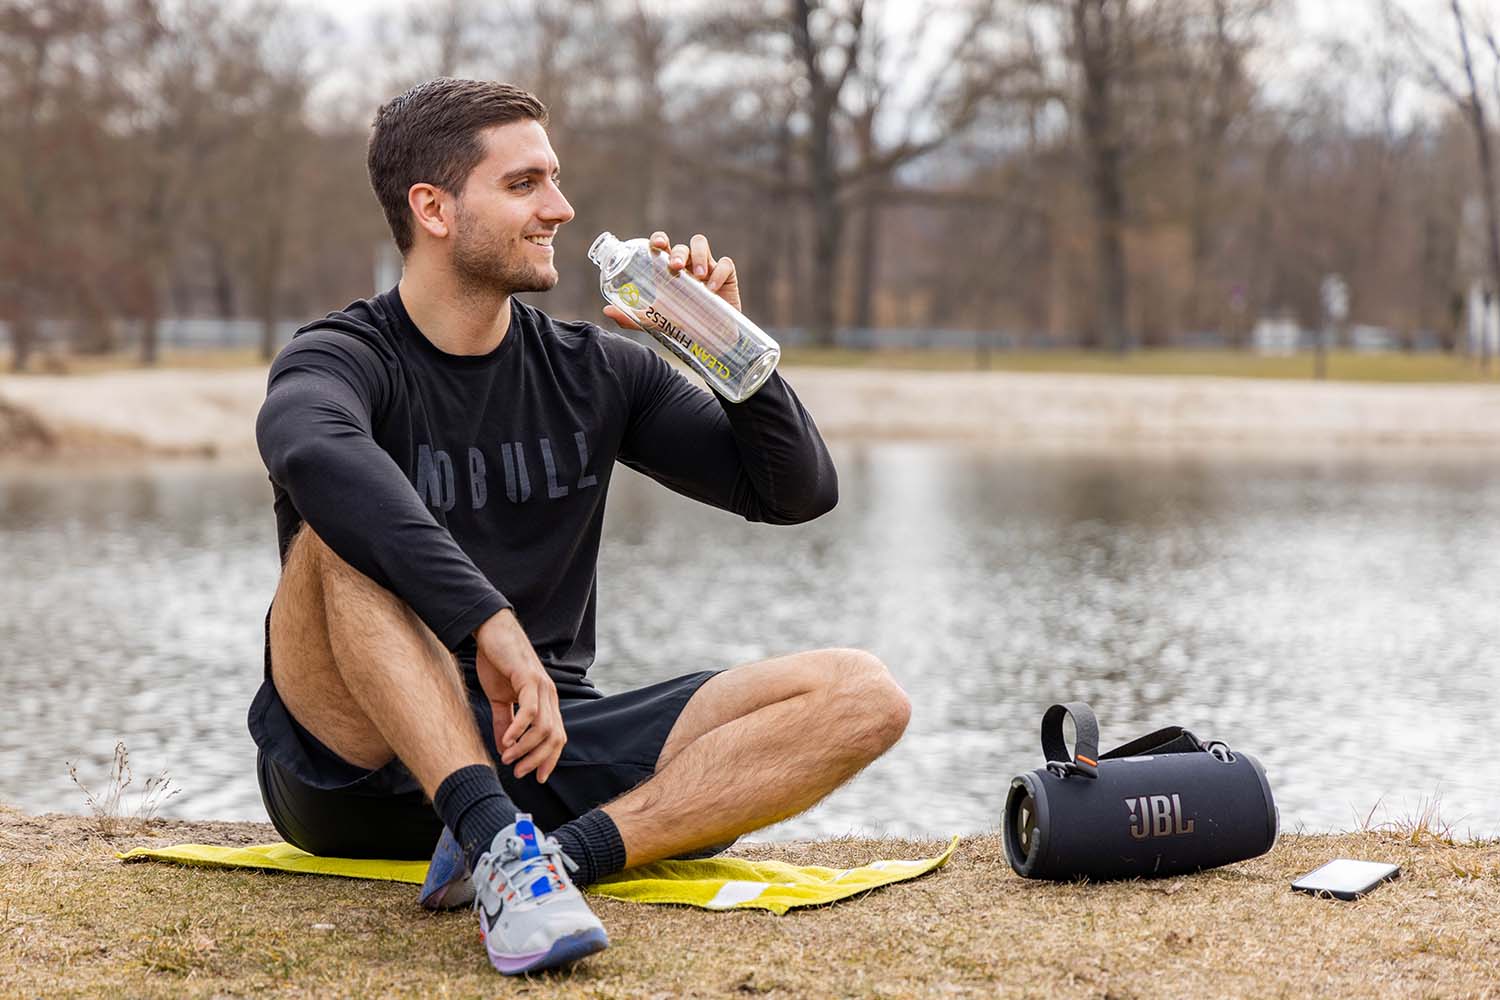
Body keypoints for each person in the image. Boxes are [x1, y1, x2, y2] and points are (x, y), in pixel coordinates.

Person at [249, 78, 911, 977]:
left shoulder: (596, 371)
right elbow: (314, 456)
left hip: (543, 744)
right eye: (524, 185)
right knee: (335, 535)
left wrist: (728, 351)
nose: (559, 207)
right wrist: (484, 621)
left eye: (554, 180)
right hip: (356, 765)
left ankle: (554, 862)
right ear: (434, 208)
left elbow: (795, 492)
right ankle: (487, 835)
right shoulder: (341, 357)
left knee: (863, 694)